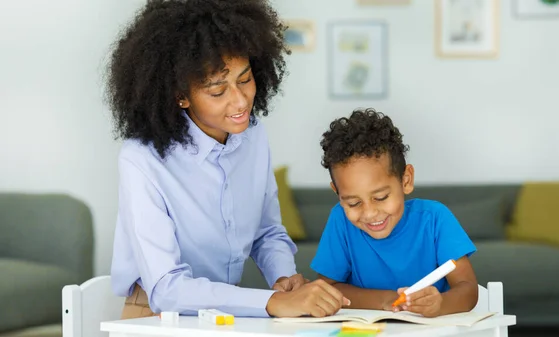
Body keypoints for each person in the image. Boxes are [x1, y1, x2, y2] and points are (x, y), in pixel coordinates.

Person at [106, 0, 348, 319]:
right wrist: (270, 303)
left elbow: (266, 230)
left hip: (222, 315)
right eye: (217, 91)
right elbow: (166, 288)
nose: (240, 100)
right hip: (155, 315)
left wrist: (283, 279)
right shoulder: (142, 158)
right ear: (181, 95)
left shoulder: (253, 136)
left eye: (245, 79)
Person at [310, 108, 478, 318]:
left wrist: (440, 304)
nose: (370, 213)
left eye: (381, 198)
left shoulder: (434, 219)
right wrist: (386, 300)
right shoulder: (340, 221)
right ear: (337, 193)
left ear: (405, 180)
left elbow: (469, 290)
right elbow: (327, 291)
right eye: (353, 203)